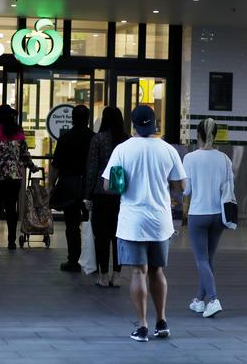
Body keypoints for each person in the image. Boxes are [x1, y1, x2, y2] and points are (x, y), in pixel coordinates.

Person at [102, 105, 185, 342]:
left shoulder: (123, 149)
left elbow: (109, 185)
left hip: (132, 221)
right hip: (160, 221)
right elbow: (182, 186)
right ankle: (162, 321)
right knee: (157, 271)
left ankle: (142, 326)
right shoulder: (167, 149)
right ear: (154, 123)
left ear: (133, 125)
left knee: (138, 272)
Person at [182, 118, 232, 318]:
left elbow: (188, 191)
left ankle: (213, 299)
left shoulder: (191, 158)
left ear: (198, 135)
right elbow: (229, 189)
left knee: (201, 259)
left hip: (198, 214)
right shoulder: (225, 159)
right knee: (208, 260)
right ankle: (198, 300)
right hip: (218, 215)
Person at [0, 104, 37, 250]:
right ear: (12, 116)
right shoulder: (18, 131)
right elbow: (24, 154)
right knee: (11, 209)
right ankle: (11, 242)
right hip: (13, 176)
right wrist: (32, 167)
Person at [84, 107, 129, 287]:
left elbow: (92, 169)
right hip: (121, 193)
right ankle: (117, 275)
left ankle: (103, 275)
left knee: (101, 236)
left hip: (101, 193)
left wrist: (87, 195)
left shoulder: (98, 139)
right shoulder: (127, 140)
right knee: (118, 236)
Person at [51, 104, 95, 272]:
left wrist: (51, 186)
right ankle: (93, 260)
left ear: (72, 118)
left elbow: (56, 165)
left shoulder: (65, 138)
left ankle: (73, 260)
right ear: (88, 119)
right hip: (88, 186)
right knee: (92, 223)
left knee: (71, 225)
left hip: (68, 185)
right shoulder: (94, 138)